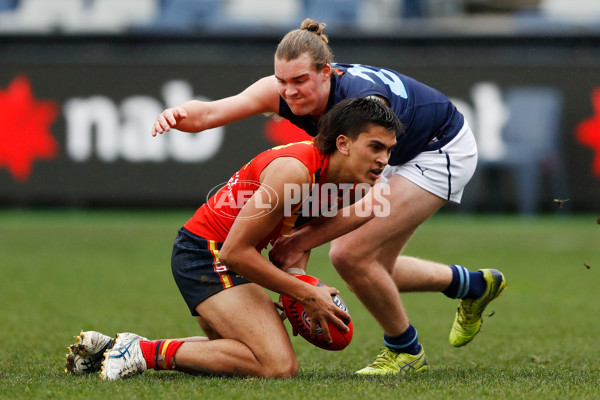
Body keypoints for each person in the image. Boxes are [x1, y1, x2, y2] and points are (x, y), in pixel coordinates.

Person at [151, 19, 507, 375]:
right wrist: (179, 115)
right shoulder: (285, 93)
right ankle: (472, 285)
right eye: (282, 81)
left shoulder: (363, 107)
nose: (289, 92)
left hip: (437, 149)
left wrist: (298, 254)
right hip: (390, 155)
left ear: (327, 73)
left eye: (300, 81)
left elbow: (372, 201)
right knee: (368, 266)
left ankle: (406, 352)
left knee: (351, 255)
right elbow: (211, 111)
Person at [65, 97, 400, 380]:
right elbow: (234, 253)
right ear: (343, 143)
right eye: (375, 147)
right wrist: (304, 293)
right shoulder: (294, 171)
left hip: (230, 256)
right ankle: (142, 351)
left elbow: (292, 245)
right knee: (277, 365)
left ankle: (114, 350)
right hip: (205, 255)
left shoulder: (347, 183)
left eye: (388, 150)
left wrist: (298, 284)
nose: (383, 160)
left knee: (241, 353)